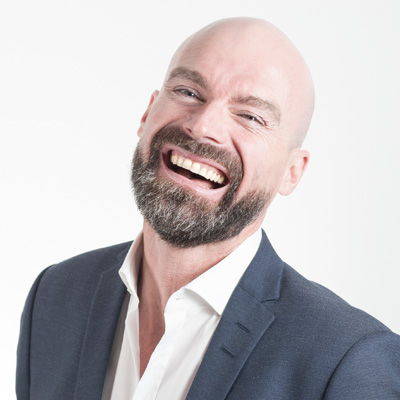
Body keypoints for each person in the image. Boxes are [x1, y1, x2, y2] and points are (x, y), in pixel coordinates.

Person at [17, 17, 400, 400]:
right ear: (148, 112)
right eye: (188, 91)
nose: (202, 127)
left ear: (291, 172)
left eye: (250, 116)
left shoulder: (348, 361)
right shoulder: (54, 297)